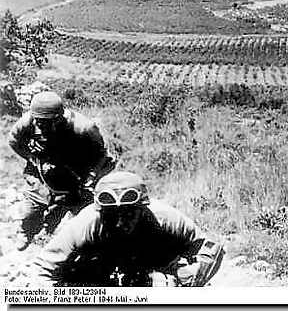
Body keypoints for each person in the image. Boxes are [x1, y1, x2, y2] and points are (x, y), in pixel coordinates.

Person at [31, 171, 225, 287]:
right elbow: (43, 267)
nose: (120, 222)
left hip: (150, 272)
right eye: (111, 216)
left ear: (143, 208)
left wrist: (186, 280)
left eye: (129, 213)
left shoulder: (165, 218)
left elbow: (211, 249)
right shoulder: (87, 223)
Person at [7, 91, 116, 250]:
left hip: (76, 175)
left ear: (58, 118)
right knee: (32, 208)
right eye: (38, 121)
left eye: (45, 122)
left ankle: (86, 244)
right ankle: (26, 231)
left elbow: (103, 155)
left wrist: (92, 176)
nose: (39, 126)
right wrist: (31, 157)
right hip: (43, 172)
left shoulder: (83, 128)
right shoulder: (29, 121)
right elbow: (13, 140)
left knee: (84, 213)